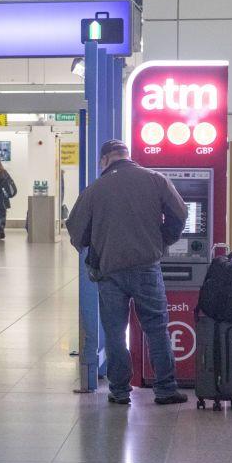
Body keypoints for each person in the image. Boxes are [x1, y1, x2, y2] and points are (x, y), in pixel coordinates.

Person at [66, 139, 189, 406]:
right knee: (156, 328)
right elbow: (180, 213)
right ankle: (165, 389)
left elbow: (76, 230)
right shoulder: (155, 179)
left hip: (110, 271)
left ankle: (120, 391)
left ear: (104, 160)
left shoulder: (95, 189)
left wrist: (95, 247)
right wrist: (162, 240)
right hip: (147, 266)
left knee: (114, 331)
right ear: (127, 156)